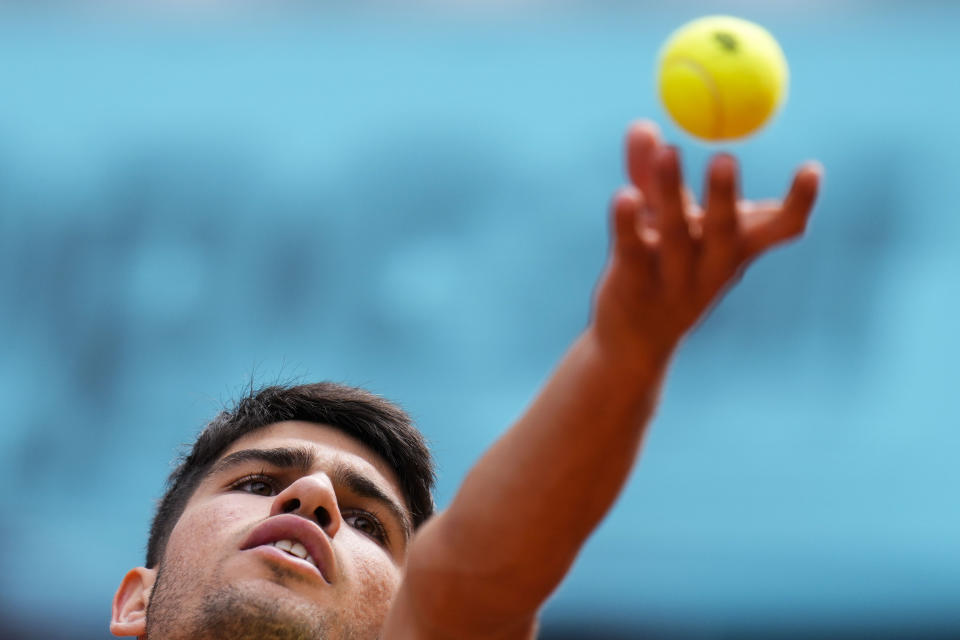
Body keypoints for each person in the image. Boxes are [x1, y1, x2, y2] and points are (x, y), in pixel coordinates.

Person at [110, 120, 822, 639]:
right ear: (135, 601)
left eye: (368, 523)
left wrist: (627, 350)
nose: (313, 496)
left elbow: (473, 579)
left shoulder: (446, 610)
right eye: (256, 483)